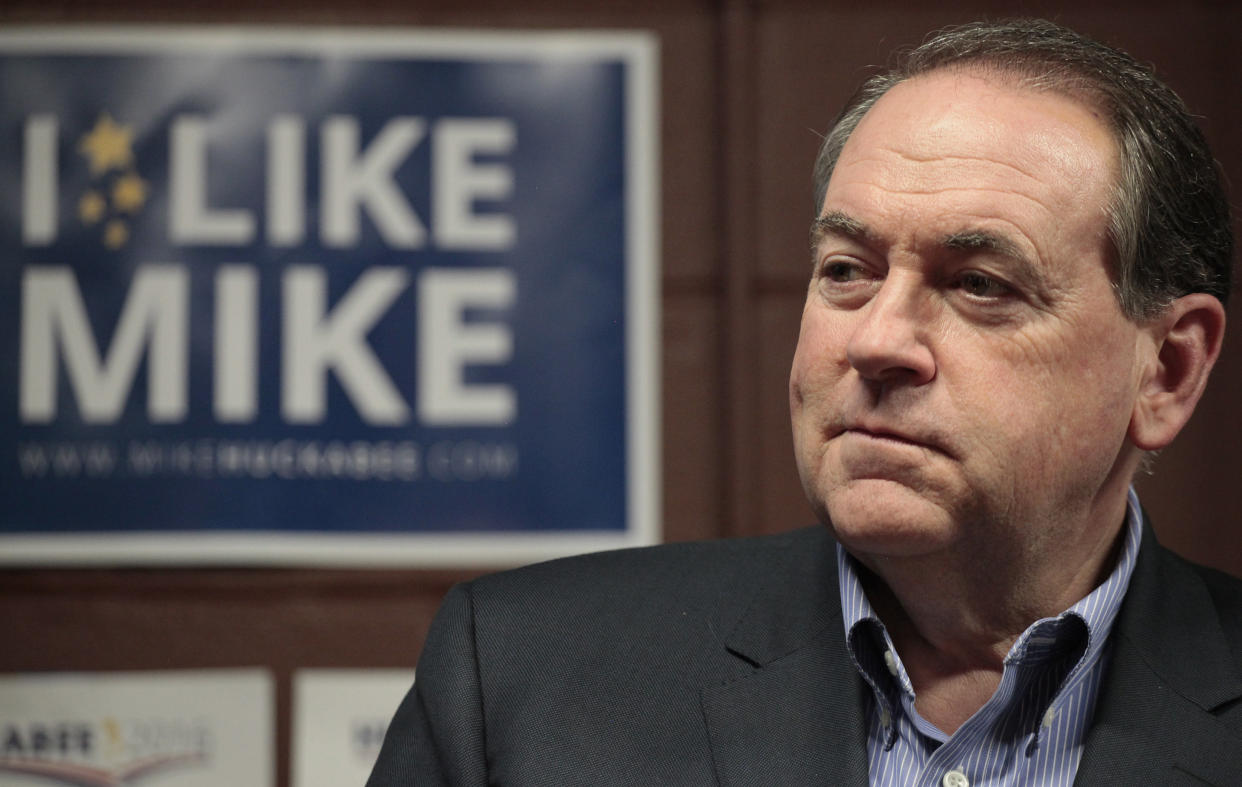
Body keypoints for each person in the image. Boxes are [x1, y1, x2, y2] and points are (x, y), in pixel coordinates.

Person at [368, 19, 1242, 786]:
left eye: (979, 283)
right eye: (847, 271)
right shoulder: (522, 682)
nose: (874, 341)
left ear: (1166, 369)